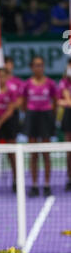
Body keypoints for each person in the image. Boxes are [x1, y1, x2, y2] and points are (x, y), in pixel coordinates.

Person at [22, 55, 57, 197]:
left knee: (46, 153)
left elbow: (54, 101)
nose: (39, 67)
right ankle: (35, 185)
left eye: (41, 65)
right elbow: (23, 103)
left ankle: (47, 185)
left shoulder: (50, 83)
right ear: (32, 67)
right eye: (36, 65)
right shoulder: (27, 84)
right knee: (33, 154)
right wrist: (29, 112)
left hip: (46, 117)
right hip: (32, 117)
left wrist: (49, 114)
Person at [0, 67, 18, 191]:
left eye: (2, 76)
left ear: (6, 77)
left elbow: (11, 109)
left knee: (12, 154)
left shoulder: (11, 90)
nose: (0, 78)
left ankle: (16, 180)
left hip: (8, 123)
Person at [57, 59, 71, 191]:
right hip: (68, 117)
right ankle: (69, 177)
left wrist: (66, 101)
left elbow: (66, 101)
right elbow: (60, 101)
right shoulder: (63, 83)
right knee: (69, 150)